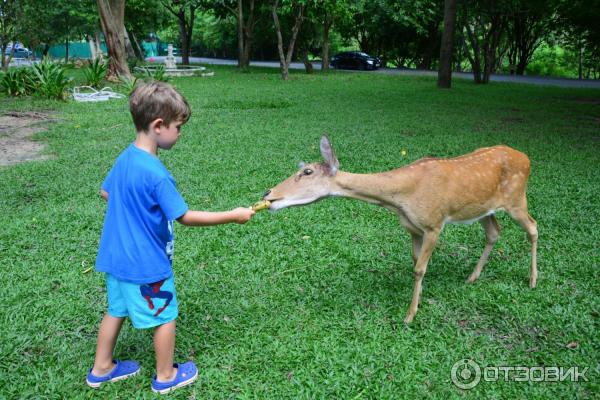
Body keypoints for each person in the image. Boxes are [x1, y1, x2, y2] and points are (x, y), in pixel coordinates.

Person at [86, 81, 255, 394]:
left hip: (116, 258)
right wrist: (233, 215)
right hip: (146, 264)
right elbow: (185, 217)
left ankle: (101, 368)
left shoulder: (125, 158)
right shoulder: (156, 174)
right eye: (178, 127)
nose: (180, 134)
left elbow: (105, 191)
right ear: (158, 126)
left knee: (116, 310)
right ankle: (165, 376)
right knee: (165, 316)